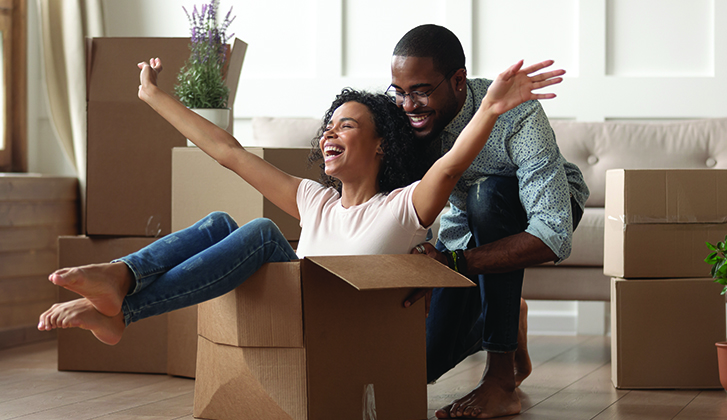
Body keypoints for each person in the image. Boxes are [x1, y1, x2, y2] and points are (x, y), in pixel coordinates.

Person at [37, 56, 565, 366]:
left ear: (382, 145)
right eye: (328, 125)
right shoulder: (314, 200)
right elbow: (228, 152)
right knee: (224, 222)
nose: (330, 132)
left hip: (348, 339)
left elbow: (449, 169)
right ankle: (122, 284)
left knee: (265, 231)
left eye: (348, 125)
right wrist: (152, 96)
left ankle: (122, 299)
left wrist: (493, 107)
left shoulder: (402, 208)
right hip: (298, 329)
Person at [389, 25, 589, 419]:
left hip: (544, 208)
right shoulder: (404, 118)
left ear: (458, 80)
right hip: (462, 229)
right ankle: (508, 313)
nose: (409, 105)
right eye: (399, 91)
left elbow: (552, 234)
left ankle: (501, 380)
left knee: (488, 194)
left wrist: (453, 265)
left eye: (421, 91)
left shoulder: (516, 110)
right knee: (424, 363)